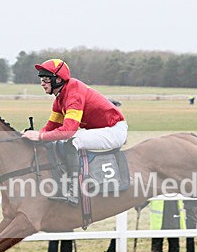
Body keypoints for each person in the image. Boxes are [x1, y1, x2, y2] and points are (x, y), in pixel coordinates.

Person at [22, 59, 127, 206]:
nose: (42, 83)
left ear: (58, 79)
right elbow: (52, 126)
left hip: (114, 131)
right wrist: (33, 135)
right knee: (58, 140)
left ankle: (74, 191)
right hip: (102, 129)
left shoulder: (74, 95)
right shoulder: (60, 98)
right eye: (41, 79)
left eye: (46, 79)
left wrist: (40, 136)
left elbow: (68, 131)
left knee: (72, 140)